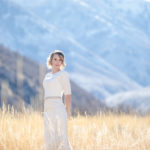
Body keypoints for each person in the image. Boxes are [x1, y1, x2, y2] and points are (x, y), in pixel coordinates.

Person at [42, 50, 73, 150]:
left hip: (58, 107)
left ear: (62, 63)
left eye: (60, 60)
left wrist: (67, 112)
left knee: (60, 137)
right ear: (50, 61)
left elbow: (68, 94)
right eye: (55, 59)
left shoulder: (63, 75)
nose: (57, 62)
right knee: (49, 136)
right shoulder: (47, 76)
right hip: (47, 108)